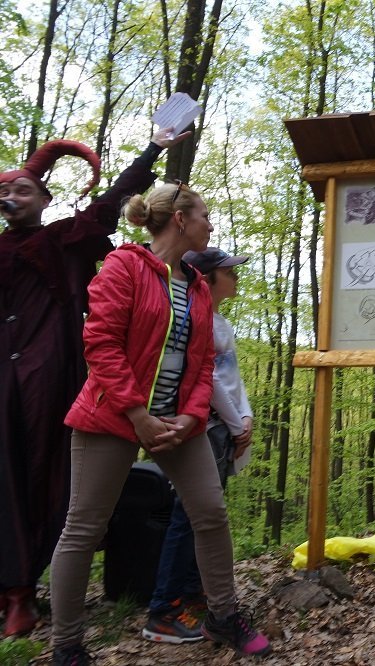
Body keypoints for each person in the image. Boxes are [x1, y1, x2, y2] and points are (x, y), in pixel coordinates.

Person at [49, 183, 271, 665]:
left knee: (209, 512)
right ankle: (66, 644)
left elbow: (202, 363)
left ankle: (222, 616)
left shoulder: (196, 286)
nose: (211, 225)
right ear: (179, 219)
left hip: (178, 422)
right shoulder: (124, 266)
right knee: (84, 527)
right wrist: (137, 414)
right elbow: (101, 344)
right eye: (205, 215)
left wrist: (192, 414)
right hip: (113, 415)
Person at [0, 128, 187, 637]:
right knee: (5, 479)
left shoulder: (64, 241)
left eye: (23, 189)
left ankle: (25, 592)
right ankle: (12, 590)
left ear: (45, 198)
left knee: (50, 478)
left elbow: (109, 202)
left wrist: (155, 148)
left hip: (51, 379)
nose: (11, 198)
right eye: (5, 192)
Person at [143, 246, 254, 644]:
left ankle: (192, 593)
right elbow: (207, 383)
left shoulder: (221, 322)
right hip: (204, 427)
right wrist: (234, 421)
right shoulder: (198, 321)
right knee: (187, 515)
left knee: (202, 517)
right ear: (206, 279)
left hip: (224, 426)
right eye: (229, 272)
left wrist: (247, 417)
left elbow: (233, 378)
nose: (236, 277)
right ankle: (163, 606)